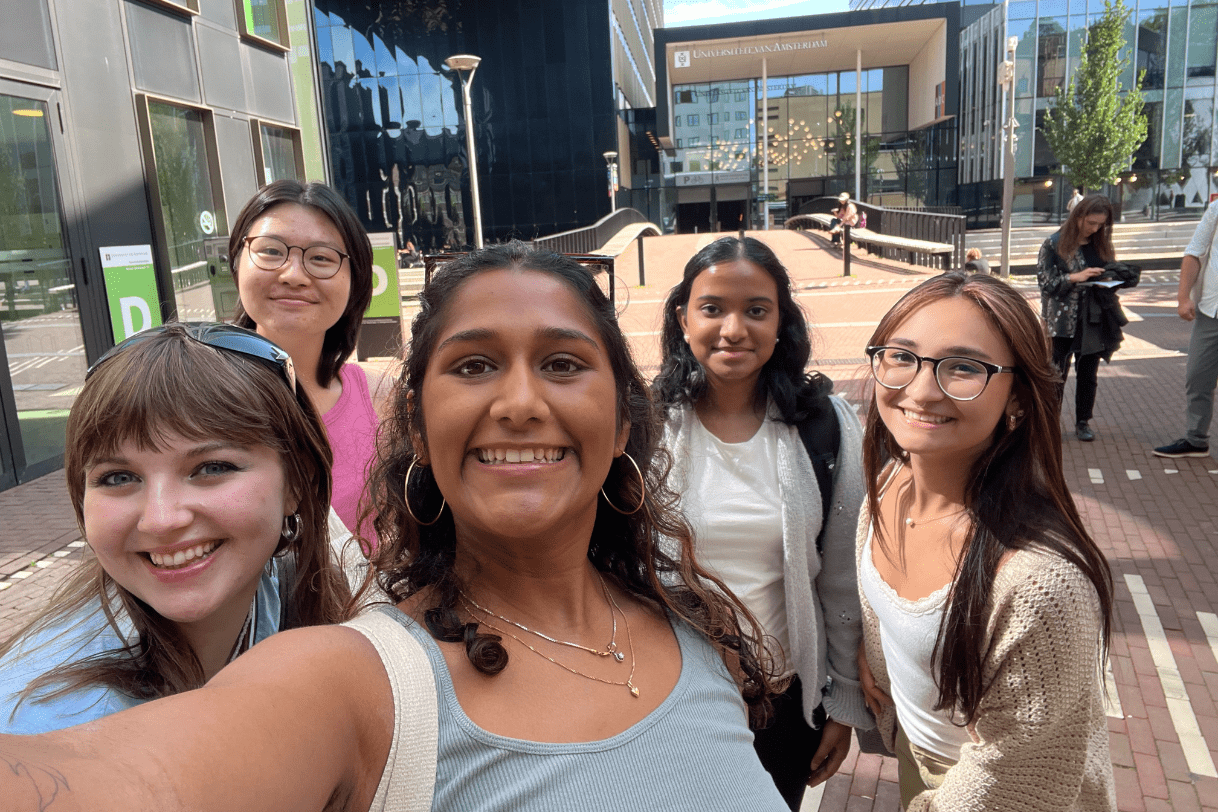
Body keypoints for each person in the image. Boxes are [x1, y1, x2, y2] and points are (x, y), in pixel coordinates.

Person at [0, 243, 790, 812]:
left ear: (622, 417)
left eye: (562, 363)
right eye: (473, 365)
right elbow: (132, 780)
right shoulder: (352, 681)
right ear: (416, 417)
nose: (519, 402)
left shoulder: (694, 628)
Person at [0, 323, 350, 734]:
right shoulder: (47, 726)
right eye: (117, 477)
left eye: (212, 467)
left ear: (297, 482)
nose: (161, 519)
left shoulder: (286, 582)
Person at [856, 272, 1115, 811]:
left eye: (965, 368)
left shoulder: (1041, 584)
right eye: (901, 355)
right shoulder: (891, 482)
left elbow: (1016, 776)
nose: (922, 391)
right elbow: (890, 610)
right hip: (917, 752)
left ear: (1017, 396)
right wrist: (874, 651)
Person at [652, 236, 868, 808]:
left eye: (756, 310)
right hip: (670, 705)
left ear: (780, 322)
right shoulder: (642, 429)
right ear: (683, 318)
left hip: (780, 705)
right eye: (712, 308)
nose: (733, 329)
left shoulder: (825, 426)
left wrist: (842, 703)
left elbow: (842, 578)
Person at [230, 180, 381, 547]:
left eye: (321, 258)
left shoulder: (382, 400)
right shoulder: (188, 400)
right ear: (236, 261)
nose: (293, 275)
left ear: (355, 280)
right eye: (270, 251)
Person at [1036, 194, 1139, 442]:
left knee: (1088, 372)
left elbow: (1106, 273)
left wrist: (1110, 280)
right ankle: (1050, 422)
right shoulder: (1054, 243)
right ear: (1078, 216)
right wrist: (1075, 277)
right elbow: (1045, 282)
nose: (1095, 229)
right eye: (1091, 223)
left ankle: (1083, 422)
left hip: (1093, 316)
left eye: (1100, 224)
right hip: (1062, 319)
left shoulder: (1100, 244)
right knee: (1057, 372)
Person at [1153, 200, 1218, 458]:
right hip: (1210, 310)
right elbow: (1193, 253)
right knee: (1197, 376)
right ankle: (1196, 439)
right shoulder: (1216, 209)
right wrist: (1183, 298)